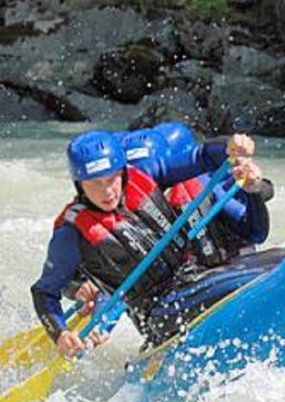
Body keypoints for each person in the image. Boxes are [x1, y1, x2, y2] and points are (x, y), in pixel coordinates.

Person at [30, 129, 262, 357]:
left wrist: (230, 146)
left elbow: (200, 157)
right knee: (264, 273)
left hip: (195, 276)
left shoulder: (144, 175)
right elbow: (44, 292)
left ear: (122, 171)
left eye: (112, 179)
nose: (107, 191)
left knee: (277, 257)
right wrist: (59, 333)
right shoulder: (71, 233)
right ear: (79, 184)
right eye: (95, 184)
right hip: (157, 310)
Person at [141, 124, 275, 265]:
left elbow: (256, 234)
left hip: (229, 263)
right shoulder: (139, 200)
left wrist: (253, 191)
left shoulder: (207, 186)